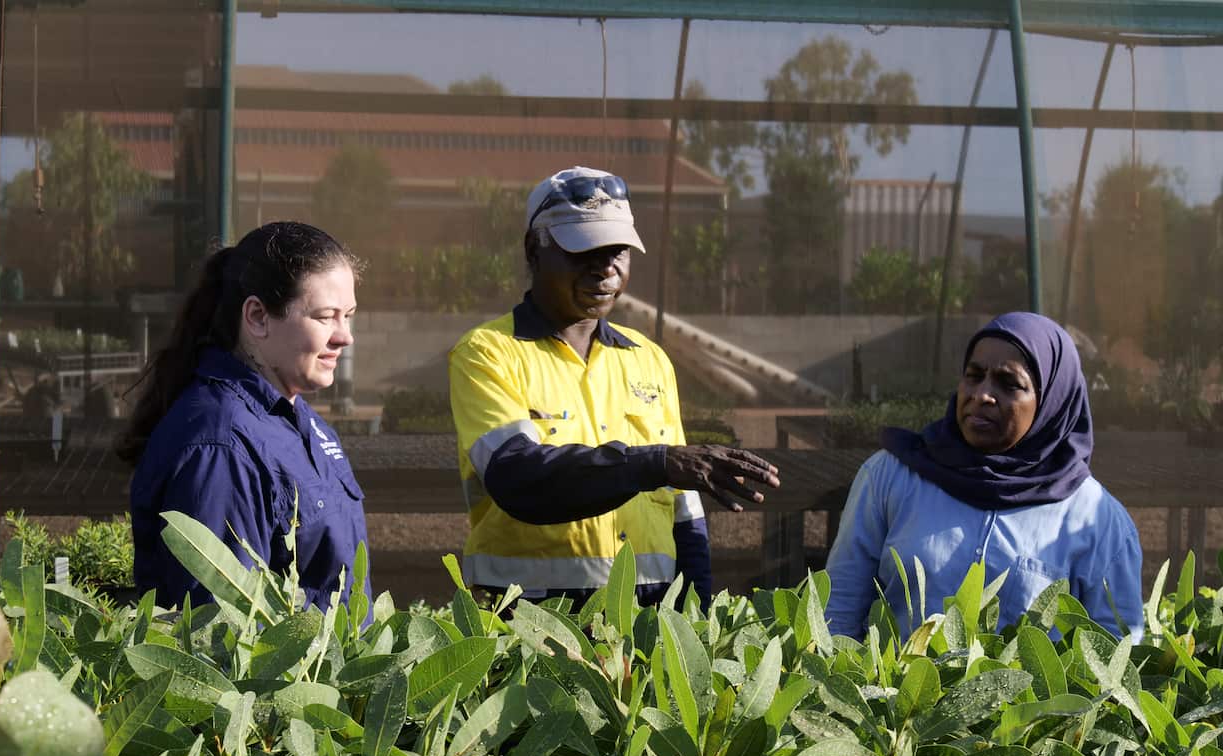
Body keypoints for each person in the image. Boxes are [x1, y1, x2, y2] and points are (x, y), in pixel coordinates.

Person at [448, 166, 779, 606]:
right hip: (527, 615)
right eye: (584, 249)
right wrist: (657, 463)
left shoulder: (649, 359)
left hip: (647, 616)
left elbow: (683, 511)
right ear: (534, 249)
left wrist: (696, 615)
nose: (605, 269)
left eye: (618, 250)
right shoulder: (488, 353)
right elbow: (519, 479)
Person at [824, 311, 1142, 640]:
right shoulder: (890, 477)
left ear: (1052, 401)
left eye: (1009, 384)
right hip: (897, 692)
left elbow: (1114, 655)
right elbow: (839, 612)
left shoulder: (1098, 520)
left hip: (1030, 694)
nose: (982, 395)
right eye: (974, 376)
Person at [118, 221, 371, 613]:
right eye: (325, 317)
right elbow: (224, 636)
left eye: (348, 315)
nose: (345, 336)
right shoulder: (220, 446)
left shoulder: (299, 420)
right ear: (256, 317)